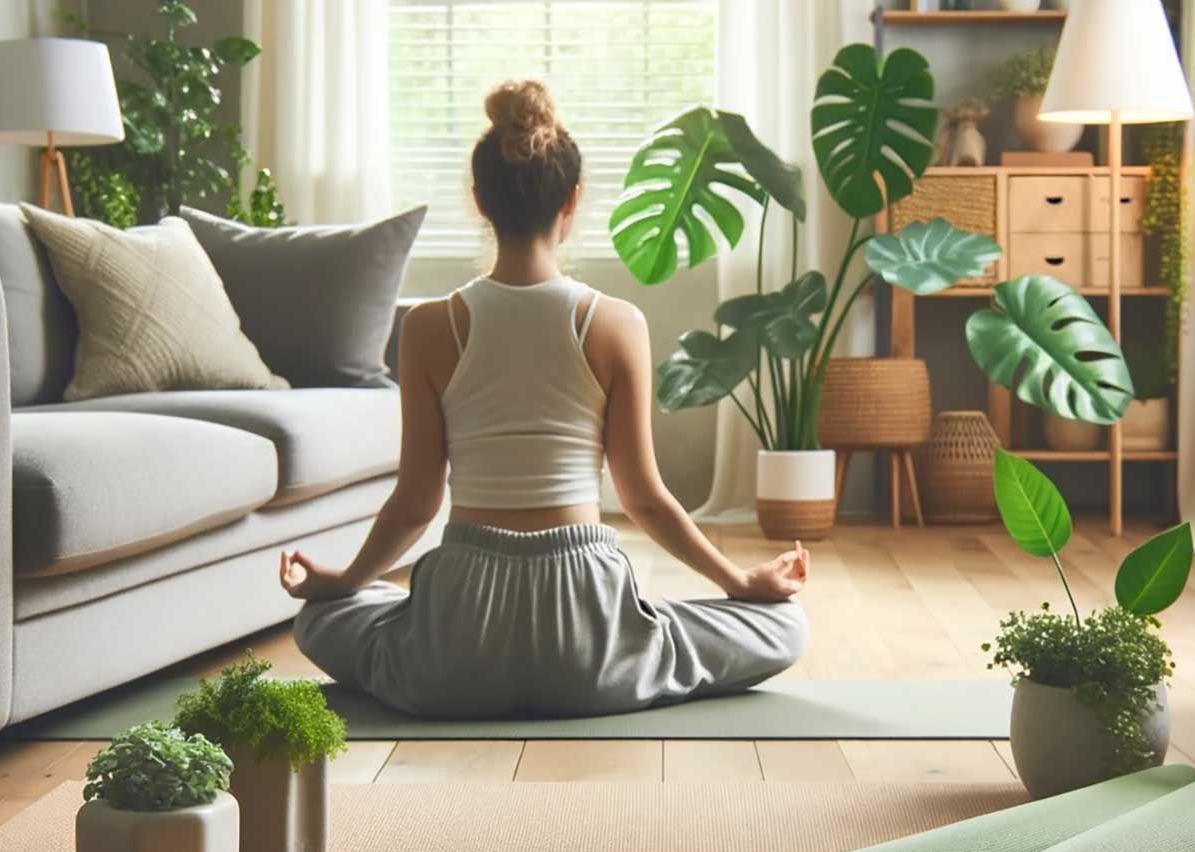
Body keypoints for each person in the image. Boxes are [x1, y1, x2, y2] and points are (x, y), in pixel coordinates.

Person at [278, 80, 810, 718]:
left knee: (321, 620)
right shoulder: (616, 323)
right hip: (588, 631)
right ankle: (629, 662)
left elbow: (418, 501)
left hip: (457, 639)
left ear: (479, 200)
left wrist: (340, 584)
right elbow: (643, 497)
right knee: (785, 626)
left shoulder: (426, 327)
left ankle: (435, 663)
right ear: (574, 201)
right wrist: (739, 583)